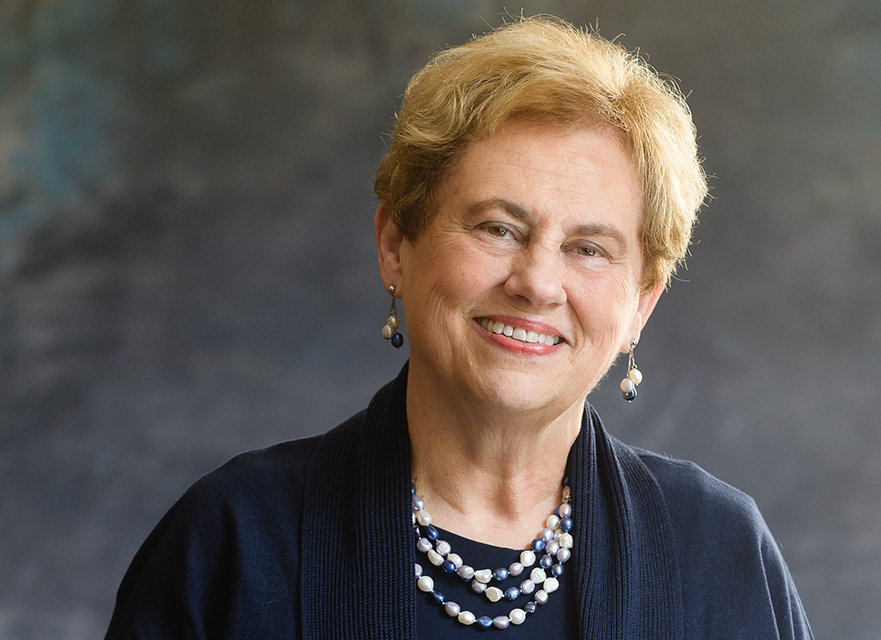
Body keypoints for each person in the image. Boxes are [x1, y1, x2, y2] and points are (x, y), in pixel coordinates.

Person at [106, 17, 814, 639]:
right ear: (395, 244)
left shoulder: (720, 553)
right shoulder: (234, 542)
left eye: (589, 249)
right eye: (498, 228)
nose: (537, 283)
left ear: (641, 303)